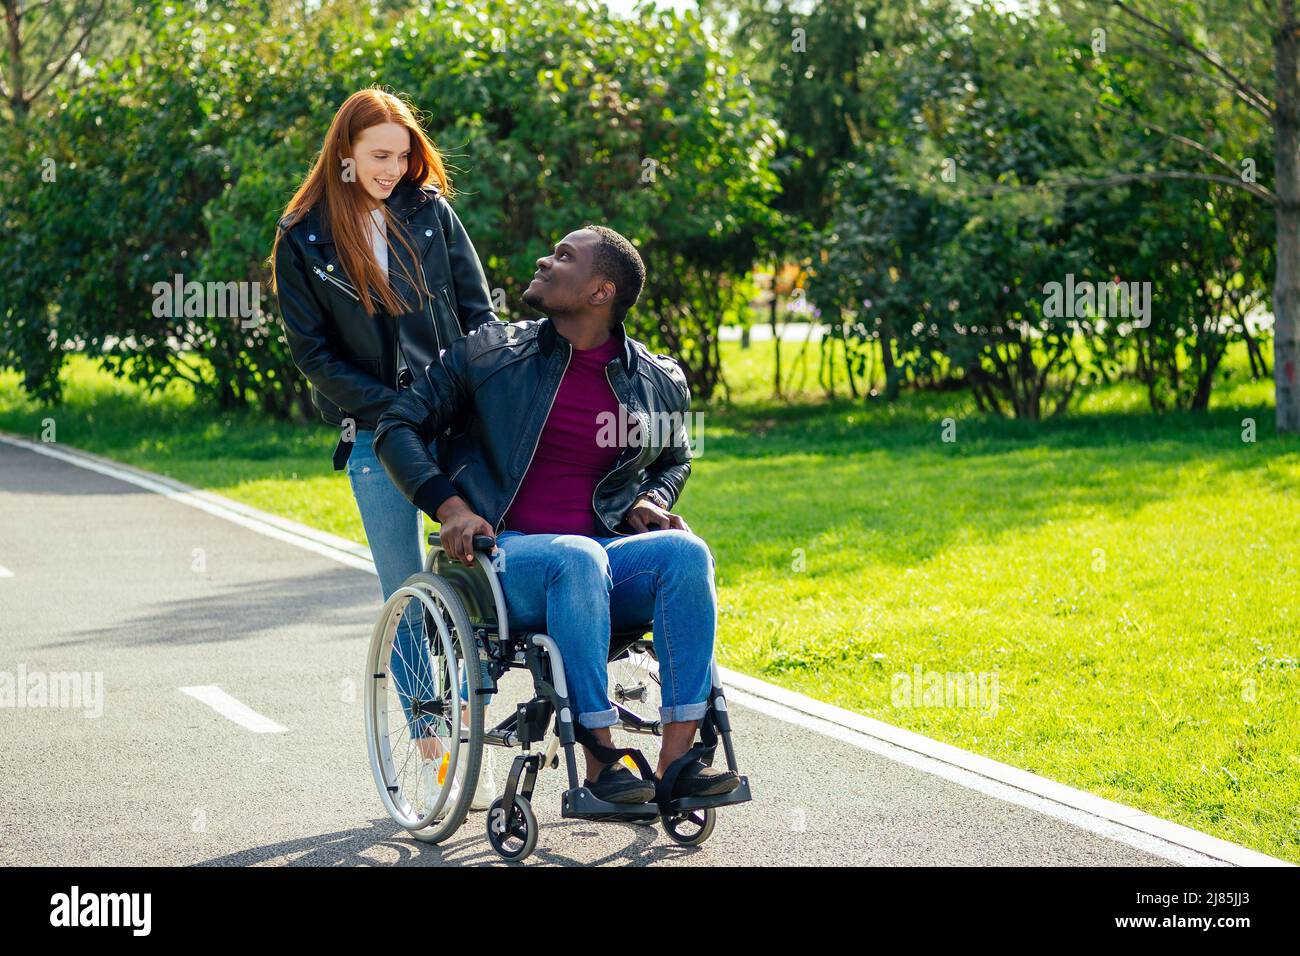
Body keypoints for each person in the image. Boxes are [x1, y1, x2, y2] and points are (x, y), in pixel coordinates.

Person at [372, 224, 740, 804]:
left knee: (686, 553)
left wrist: (655, 499)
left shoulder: (658, 380)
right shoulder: (490, 354)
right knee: (577, 555)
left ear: (600, 292)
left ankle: (678, 763)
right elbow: (397, 426)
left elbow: (675, 459)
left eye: (564, 256)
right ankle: (600, 760)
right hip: (503, 564)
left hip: (604, 560)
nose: (545, 259)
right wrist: (451, 506)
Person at [269, 87, 499, 809]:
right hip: (375, 436)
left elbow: (477, 313)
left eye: (402, 155)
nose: (394, 168)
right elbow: (314, 355)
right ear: (344, 153)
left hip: (457, 422)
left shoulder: (430, 212)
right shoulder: (303, 235)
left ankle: (492, 688)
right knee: (404, 594)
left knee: (498, 571)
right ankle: (429, 742)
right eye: (378, 156)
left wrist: (472, 392)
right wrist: (393, 409)